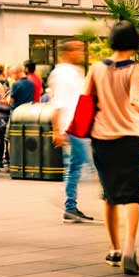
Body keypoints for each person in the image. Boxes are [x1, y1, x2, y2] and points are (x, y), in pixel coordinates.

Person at [85, 23, 139, 275]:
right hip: (130, 137)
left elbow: (85, 100)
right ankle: (129, 247)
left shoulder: (95, 68)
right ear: (134, 43)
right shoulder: (136, 69)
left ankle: (113, 249)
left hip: (101, 138)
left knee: (110, 194)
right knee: (132, 195)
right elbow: (136, 100)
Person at [49, 40, 94, 224]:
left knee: (74, 168)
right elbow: (58, 103)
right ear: (68, 52)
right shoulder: (60, 73)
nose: (81, 53)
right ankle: (109, 198)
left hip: (79, 125)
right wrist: (57, 131)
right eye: (77, 50)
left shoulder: (75, 72)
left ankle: (70, 207)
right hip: (71, 126)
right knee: (92, 163)